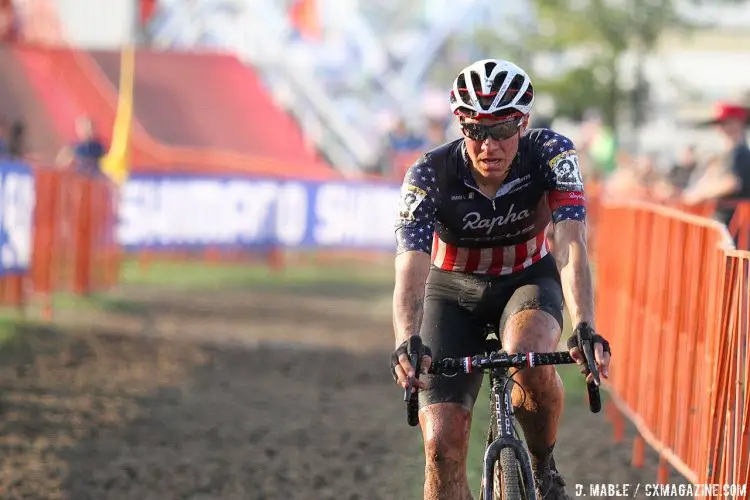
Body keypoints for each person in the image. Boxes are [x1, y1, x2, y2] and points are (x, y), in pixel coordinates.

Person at [390, 59, 611, 500]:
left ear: (523, 123)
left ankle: (543, 466)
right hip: (451, 291)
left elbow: (569, 242)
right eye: (475, 130)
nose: (489, 146)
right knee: (441, 446)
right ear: (459, 125)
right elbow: (411, 266)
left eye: (503, 130)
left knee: (527, 356)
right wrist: (407, 338)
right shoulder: (429, 173)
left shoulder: (552, 153)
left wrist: (585, 323)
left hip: (526, 279)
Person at [682, 102, 750, 244]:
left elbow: (731, 183)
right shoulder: (728, 153)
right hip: (728, 223)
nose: (721, 127)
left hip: (736, 225)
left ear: (739, 123)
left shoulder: (740, 153)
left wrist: (700, 194)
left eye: (725, 122)